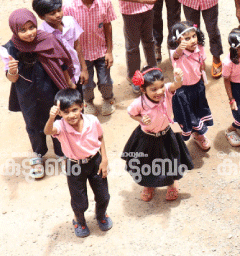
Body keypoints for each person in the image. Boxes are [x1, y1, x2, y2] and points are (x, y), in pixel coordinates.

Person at [4, 9, 74, 179]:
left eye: (31, 27)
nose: (29, 33)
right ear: (15, 30)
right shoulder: (10, 48)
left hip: (51, 88)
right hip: (27, 94)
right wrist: (12, 71)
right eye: (23, 30)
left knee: (57, 119)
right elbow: (12, 78)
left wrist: (68, 84)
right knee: (33, 123)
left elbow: (62, 64)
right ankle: (38, 154)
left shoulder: (47, 39)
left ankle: (62, 153)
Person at [44, 89, 111, 238]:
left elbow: (100, 137)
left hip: (95, 161)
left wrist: (104, 159)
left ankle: (101, 215)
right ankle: (79, 221)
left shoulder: (92, 121)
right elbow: (48, 131)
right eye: (66, 112)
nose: (71, 115)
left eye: (74, 110)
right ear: (59, 113)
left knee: (103, 195)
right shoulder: (60, 126)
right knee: (79, 201)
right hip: (74, 166)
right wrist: (51, 118)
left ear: (81, 106)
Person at [122, 66, 193, 202]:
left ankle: (172, 183)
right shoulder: (139, 103)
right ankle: (149, 185)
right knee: (147, 164)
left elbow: (176, 85)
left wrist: (178, 78)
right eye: (153, 89)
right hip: (147, 138)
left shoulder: (167, 92)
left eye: (161, 86)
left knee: (171, 161)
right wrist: (140, 119)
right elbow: (131, 112)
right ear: (143, 90)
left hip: (167, 134)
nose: (159, 91)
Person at [64, 0, 117, 116]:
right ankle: (88, 102)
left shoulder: (105, 2)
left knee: (105, 81)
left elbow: (107, 26)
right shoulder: (68, 7)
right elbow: (69, 36)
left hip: (101, 52)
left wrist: (109, 51)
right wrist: (78, 63)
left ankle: (108, 99)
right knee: (86, 84)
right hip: (82, 56)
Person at [168, 21, 212, 151]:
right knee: (183, 115)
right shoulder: (177, 53)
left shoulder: (200, 48)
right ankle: (176, 137)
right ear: (178, 41)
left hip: (197, 87)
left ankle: (198, 134)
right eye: (187, 38)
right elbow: (175, 55)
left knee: (197, 112)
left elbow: (202, 64)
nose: (192, 40)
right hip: (183, 91)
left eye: (194, 36)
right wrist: (180, 48)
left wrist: (202, 78)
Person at [32, 0, 86, 91]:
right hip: (60, 80)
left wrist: (84, 69)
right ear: (41, 17)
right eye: (52, 13)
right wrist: (68, 82)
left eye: (59, 10)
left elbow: (77, 45)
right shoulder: (42, 35)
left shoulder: (70, 21)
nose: (58, 15)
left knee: (79, 97)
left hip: (76, 72)